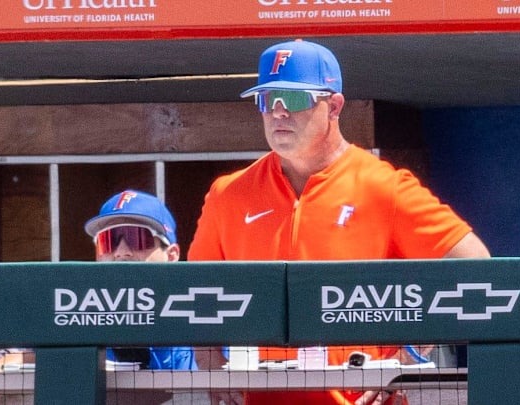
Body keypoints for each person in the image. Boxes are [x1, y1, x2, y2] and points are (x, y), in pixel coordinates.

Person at [188, 39, 490, 405]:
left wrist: (407, 357)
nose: (279, 112)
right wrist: (209, 362)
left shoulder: (383, 186)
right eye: (267, 100)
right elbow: (191, 295)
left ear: (334, 106)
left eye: (295, 99)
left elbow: (474, 266)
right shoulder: (229, 193)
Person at [84, 189, 198, 372]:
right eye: (108, 241)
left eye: (136, 237)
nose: (121, 252)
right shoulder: (75, 317)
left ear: (171, 255)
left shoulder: (203, 320)